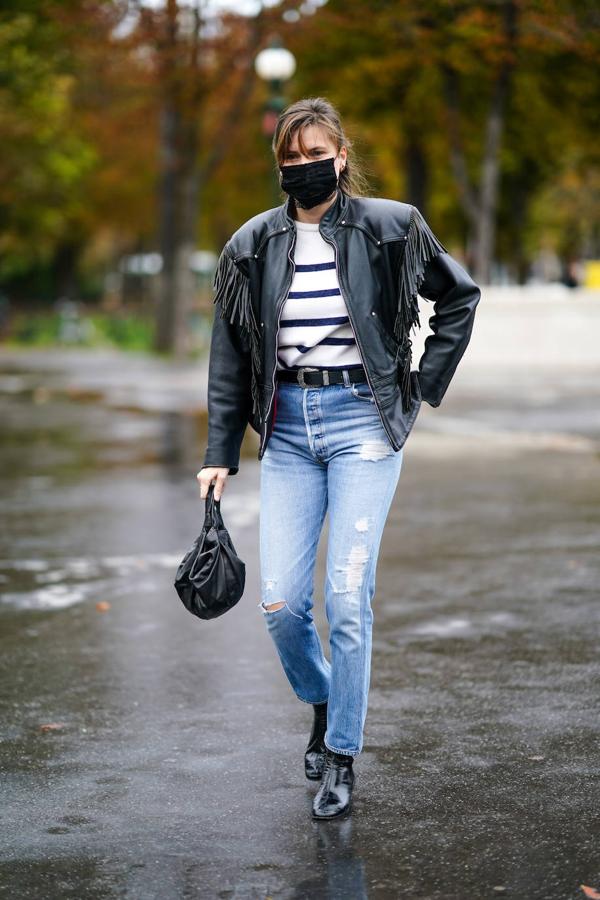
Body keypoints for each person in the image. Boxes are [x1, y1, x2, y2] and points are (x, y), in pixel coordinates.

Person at [198, 97, 481, 820]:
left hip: (363, 422)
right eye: (290, 161)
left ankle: (342, 756)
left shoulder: (392, 225)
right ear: (281, 166)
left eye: (316, 155)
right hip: (287, 431)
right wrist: (219, 451)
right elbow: (231, 351)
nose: (305, 168)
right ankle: (323, 702)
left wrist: (422, 383)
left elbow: (459, 297)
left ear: (341, 156)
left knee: (348, 599)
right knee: (282, 605)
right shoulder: (252, 244)